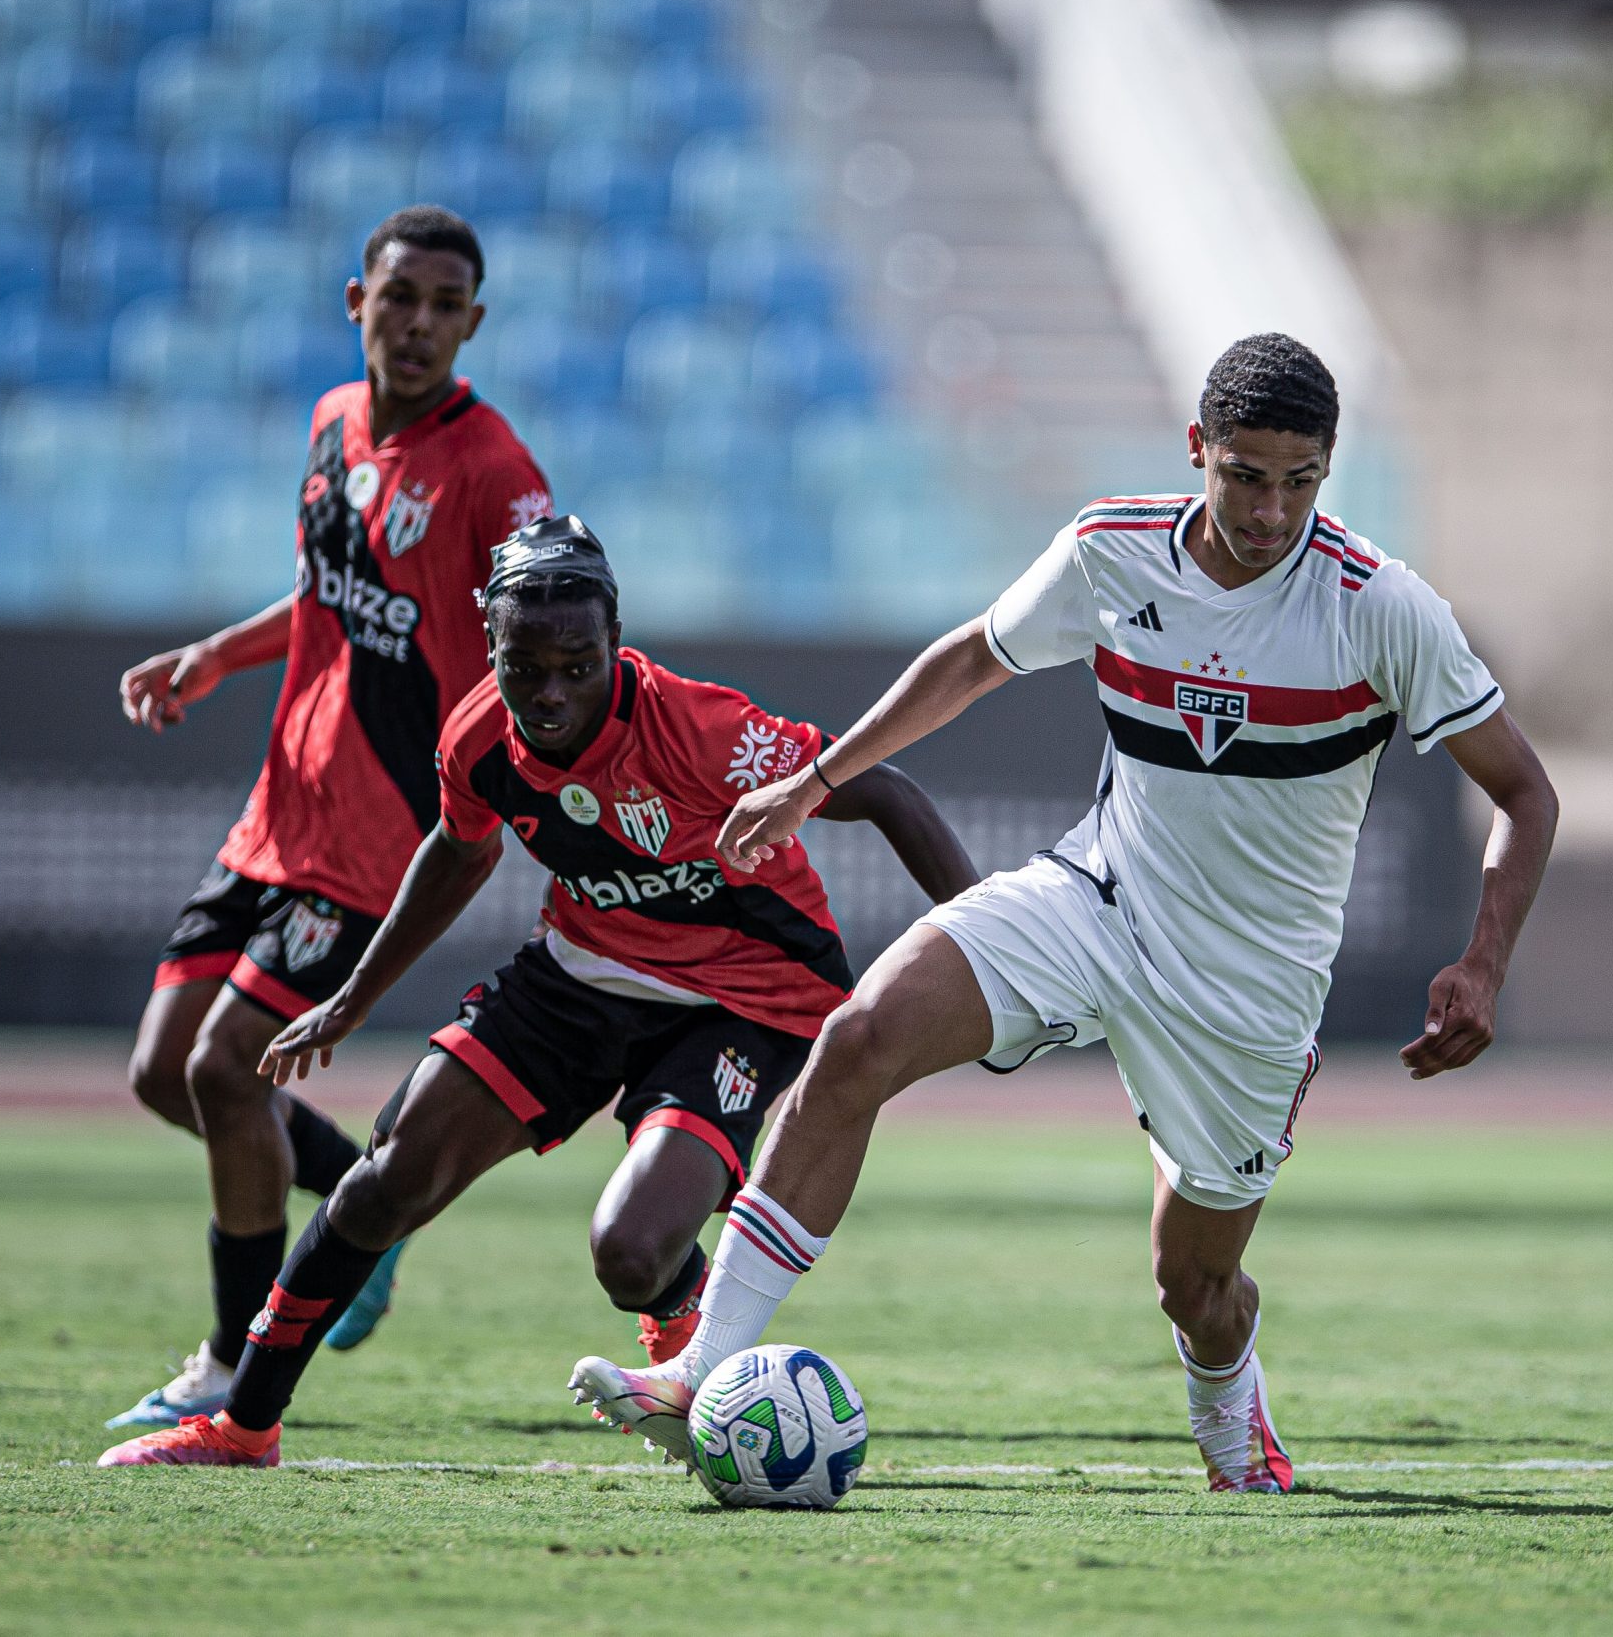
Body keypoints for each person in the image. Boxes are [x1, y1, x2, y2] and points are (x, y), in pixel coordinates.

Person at [566, 333, 1560, 1493]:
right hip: (1098, 899)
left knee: (1193, 1287)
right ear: (1197, 449)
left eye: (1299, 482)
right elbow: (971, 661)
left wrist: (1483, 962)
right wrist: (814, 779)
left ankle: (1230, 1403)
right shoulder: (1111, 553)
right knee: (857, 1040)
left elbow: (1525, 793)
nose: (1271, 511)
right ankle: (703, 1366)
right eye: (1245, 475)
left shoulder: (1379, 608)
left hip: (1249, 992)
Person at [96, 517, 981, 1468]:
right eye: (526, 666)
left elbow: (884, 790)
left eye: (578, 663)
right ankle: (243, 1426)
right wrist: (353, 997)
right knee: (389, 1177)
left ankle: (681, 1324)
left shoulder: (703, 730)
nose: (551, 691)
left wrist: (984, 942)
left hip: (747, 1001)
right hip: (576, 976)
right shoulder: (477, 737)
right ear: (491, 644)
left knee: (629, 1254)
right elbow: (458, 852)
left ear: (615, 642)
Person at [107, 205, 554, 1430]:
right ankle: (376, 1198)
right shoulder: (329, 422)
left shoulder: (495, 473)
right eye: (396, 297)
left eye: (442, 305)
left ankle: (230, 1368)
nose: (416, 324)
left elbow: (553, 630)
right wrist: (216, 653)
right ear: (354, 302)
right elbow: (324, 591)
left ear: (473, 322)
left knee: (223, 1072)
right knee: (164, 1074)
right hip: (276, 811)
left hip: (376, 836)